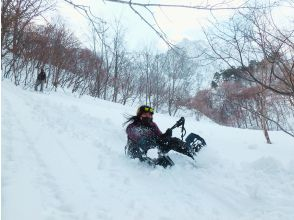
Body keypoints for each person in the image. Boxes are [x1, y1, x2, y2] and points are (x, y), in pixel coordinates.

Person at [124, 105, 194, 167]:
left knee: (173, 141)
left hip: (153, 148)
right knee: (149, 143)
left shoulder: (152, 125)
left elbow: (160, 138)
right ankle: (168, 169)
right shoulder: (132, 127)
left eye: (150, 115)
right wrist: (156, 141)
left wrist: (166, 135)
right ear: (139, 116)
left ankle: (194, 155)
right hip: (137, 154)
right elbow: (141, 140)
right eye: (145, 114)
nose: (148, 116)